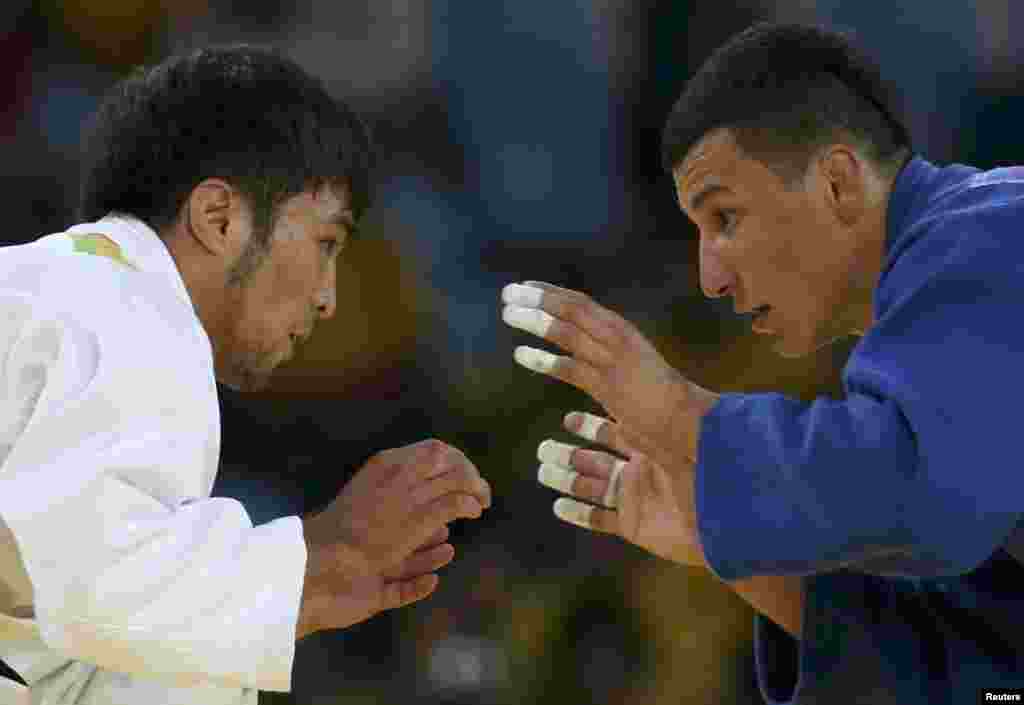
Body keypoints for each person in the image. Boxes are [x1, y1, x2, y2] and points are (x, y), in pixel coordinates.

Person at [501, 22, 1024, 705]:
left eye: (725, 218)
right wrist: (720, 536)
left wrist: (682, 417)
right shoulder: (941, 322)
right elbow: (982, 660)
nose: (709, 276)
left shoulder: (993, 230)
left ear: (837, 182)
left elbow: (920, 491)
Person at [0, 44, 491, 704]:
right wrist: (324, 558)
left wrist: (307, 592)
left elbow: (84, 632)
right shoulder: (129, 309)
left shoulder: (64, 292)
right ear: (219, 217)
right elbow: (93, 581)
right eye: (326, 243)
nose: (328, 298)